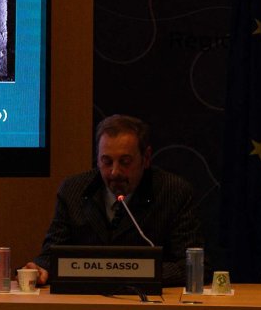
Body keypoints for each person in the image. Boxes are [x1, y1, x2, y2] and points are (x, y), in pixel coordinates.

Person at [25, 115, 203, 286]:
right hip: (86, 300)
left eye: (125, 162)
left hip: (150, 301)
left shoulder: (173, 192)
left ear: (146, 158)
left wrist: (130, 273)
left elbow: (192, 265)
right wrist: (40, 268)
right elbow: (51, 256)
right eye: (107, 162)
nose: (115, 172)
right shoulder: (73, 191)